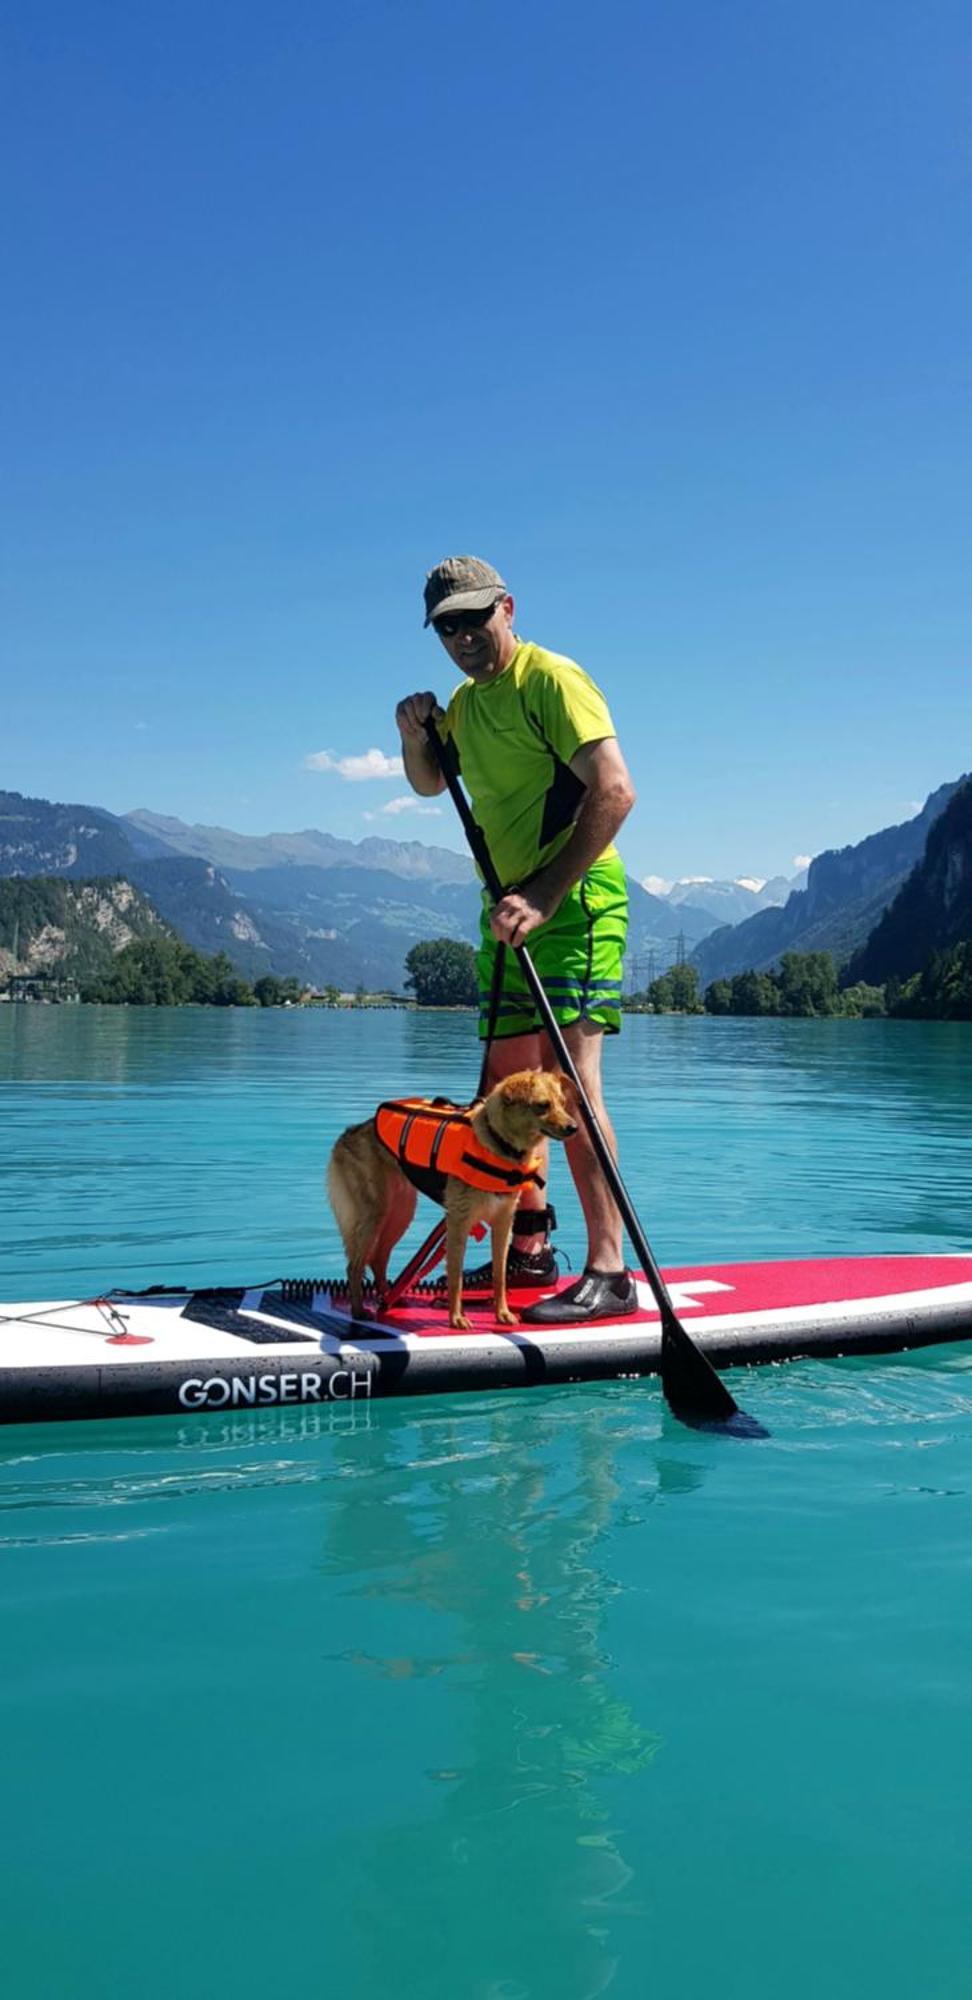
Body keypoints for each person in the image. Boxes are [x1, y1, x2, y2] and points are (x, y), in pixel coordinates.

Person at [395, 554, 637, 1325]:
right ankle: (526, 1244)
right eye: (447, 627)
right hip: (506, 915)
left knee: (571, 1090)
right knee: (504, 1093)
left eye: (474, 617)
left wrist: (544, 890)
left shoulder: (551, 679)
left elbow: (615, 790)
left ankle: (610, 1271)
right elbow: (432, 783)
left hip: (576, 903)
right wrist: (413, 736)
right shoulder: (465, 706)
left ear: (507, 606)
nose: (463, 636)